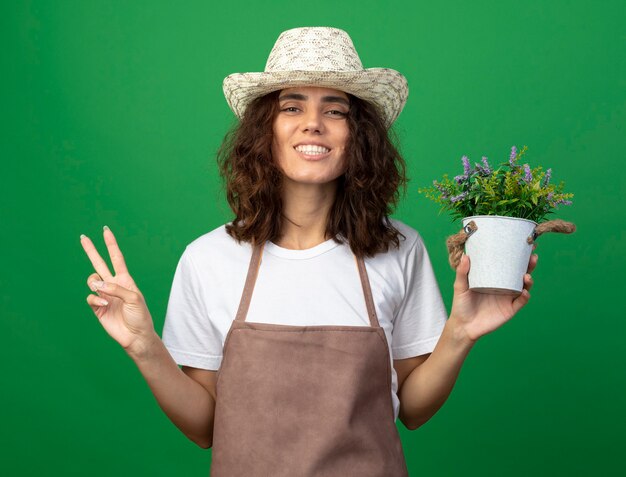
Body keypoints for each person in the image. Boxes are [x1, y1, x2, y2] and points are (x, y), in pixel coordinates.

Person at [80, 27, 538, 476]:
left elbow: (412, 411)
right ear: (265, 131)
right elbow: (204, 427)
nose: (312, 123)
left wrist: (460, 332)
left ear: (358, 135)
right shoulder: (208, 258)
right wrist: (144, 347)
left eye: (334, 110)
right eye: (291, 107)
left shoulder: (399, 249)